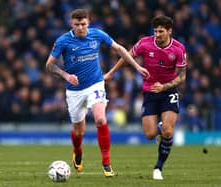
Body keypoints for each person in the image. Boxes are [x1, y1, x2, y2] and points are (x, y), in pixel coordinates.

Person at [45, 9, 149, 177]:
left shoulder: (97, 35)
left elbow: (120, 49)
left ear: (89, 23)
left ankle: (106, 163)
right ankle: (77, 151)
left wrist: (137, 67)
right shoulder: (63, 41)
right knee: (79, 131)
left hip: (96, 83)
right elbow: (49, 65)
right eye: (77, 24)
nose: (80, 28)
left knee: (100, 119)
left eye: (83, 24)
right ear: (72, 24)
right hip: (74, 91)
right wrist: (66, 75)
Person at [104, 15, 187, 180]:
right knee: (149, 134)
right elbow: (127, 56)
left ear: (169, 31)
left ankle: (158, 168)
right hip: (149, 91)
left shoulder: (178, 49)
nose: (157, 34)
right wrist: (112, 72)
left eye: (161, 31)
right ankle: (160, 130)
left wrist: (165, 86)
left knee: (168, 131)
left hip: (168, 91)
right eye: (155, 31)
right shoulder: (144, 43)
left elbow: (182, 77)